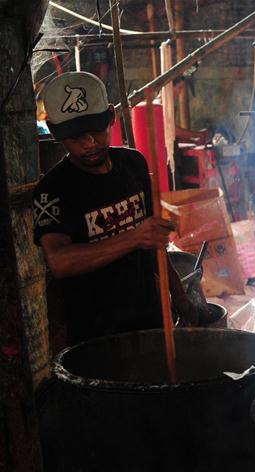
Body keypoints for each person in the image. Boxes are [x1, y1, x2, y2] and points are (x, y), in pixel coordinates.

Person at [33, 71, 195, 345]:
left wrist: (179, 297)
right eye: (75, 137)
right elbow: (59, 261)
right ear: (56, 132)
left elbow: (155, 243)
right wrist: (134, 236)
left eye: (96, 131)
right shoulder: (53, 190)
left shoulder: (133, 164)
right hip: (96, 337)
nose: (89, 143)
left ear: (111, 117)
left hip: (150, 320)